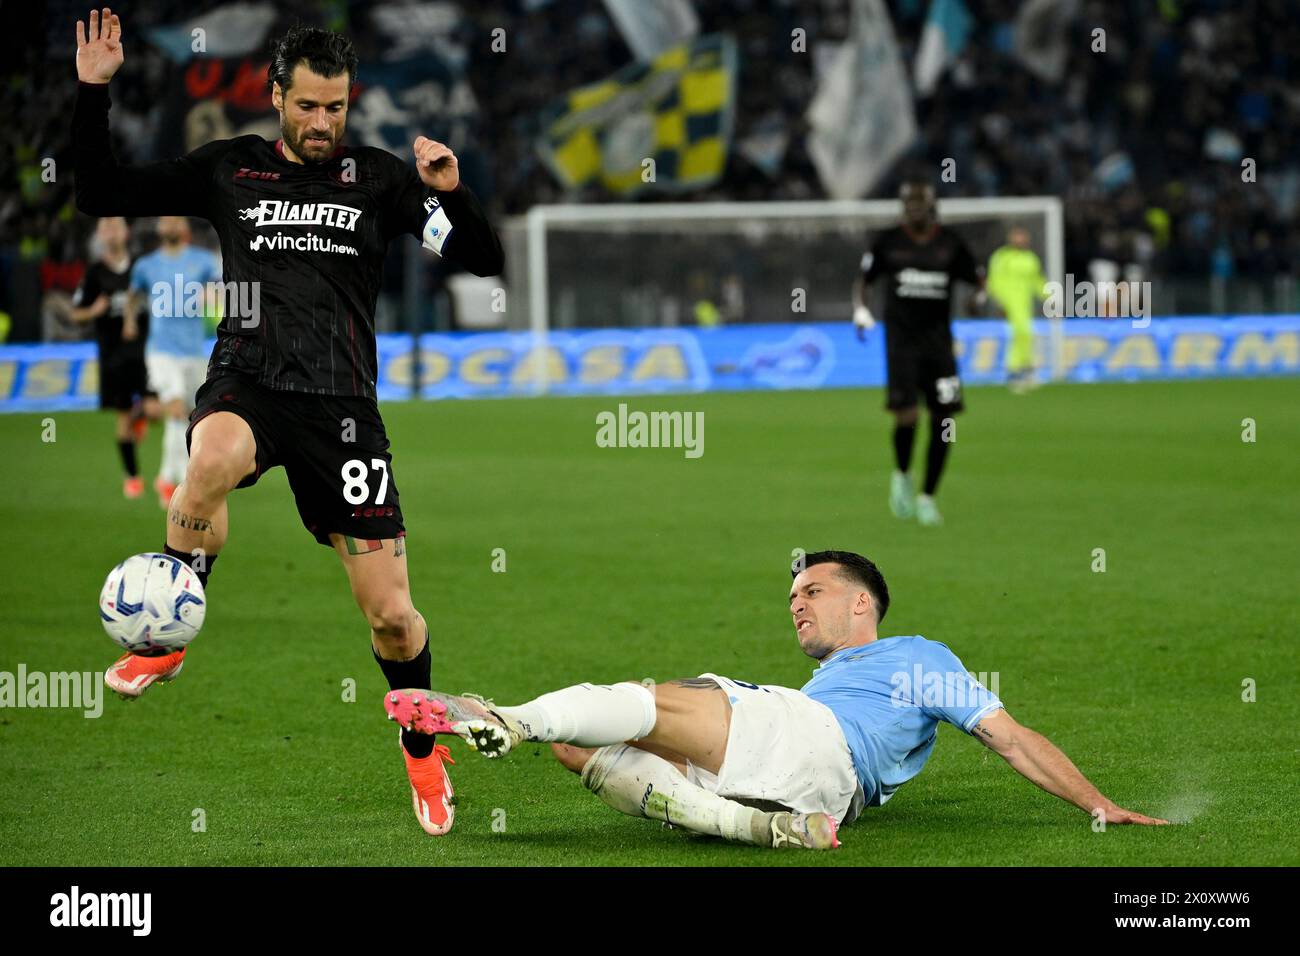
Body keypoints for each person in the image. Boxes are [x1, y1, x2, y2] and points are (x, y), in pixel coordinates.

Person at [73, 9, 503, 837]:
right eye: (307, 106)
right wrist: (93, 91)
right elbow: (101, 191)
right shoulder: (228, 170)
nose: (321, 123)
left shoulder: (379, 180)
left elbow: (480, 258)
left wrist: (453, 193)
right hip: (249, 381)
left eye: (335, 107)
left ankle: (420, 745)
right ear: (276, 96)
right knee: (210, 456)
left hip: (343, 414)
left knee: (391, 616)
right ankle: (170, 628)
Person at [383, 551, 1170, 849]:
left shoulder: (916, 658)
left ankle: (506, 717)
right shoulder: (821, 685)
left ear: (863, 604)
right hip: (813, 786)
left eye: (813, 591)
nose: (797, 604)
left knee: (664, 698)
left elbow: (1008, 736)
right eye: (793, 596)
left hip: (820, 747)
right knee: (579, 748)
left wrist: (1099, 803)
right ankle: (757, 827)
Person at [852, 180, 985, 527]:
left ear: (931, 206)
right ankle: (902, 473)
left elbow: (977, 279)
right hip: (901, 345)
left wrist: (976, 299)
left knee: (944, 420)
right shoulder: (888, 242)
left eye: (919, 203)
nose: (913, 208)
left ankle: (928, 497)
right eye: (908, 203)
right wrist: (860, 311)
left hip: (940, 347)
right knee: (907, 415)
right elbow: (864, 281)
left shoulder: (950, 244)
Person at [127, 216, 222, 507]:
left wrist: (213, 294)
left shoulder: (202, 260)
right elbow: (132, 295)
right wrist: (129, 321)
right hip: (161, 351)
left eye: (173, 222)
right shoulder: (146, 265)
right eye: (163, 223)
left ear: (183, 229)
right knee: (177, 409)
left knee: (193, 415)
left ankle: (170, 477)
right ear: (158, 230)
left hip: (193, 351)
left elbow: (222, 289)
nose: (167, 226)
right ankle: (176, 481)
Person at [68, 215, 149, 498]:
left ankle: (144, 416)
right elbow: (76, 313)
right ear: (101, 236)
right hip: (114, 355)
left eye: (116, 225)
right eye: (106, 227)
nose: (111, 231)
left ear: (127, 232)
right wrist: (94, 310)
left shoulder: (143, 266)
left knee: (157, 407)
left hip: (147, 350)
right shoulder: (95, 273)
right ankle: (132, 477)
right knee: (123, 416)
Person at [987, 227, 1048, 393]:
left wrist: (1049, 296)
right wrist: (998, 302)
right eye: (1017, 237)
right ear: (1011, 239)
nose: (1020, 240)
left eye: (1023, 237)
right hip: (1008, 304)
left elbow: (1037, 281)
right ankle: (1015, 371)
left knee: (1025, 334)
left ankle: (1025, 370)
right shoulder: (1001, 256)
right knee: (1020, 334)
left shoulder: (1030, 258)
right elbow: (993, 280)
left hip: (1024, 304)